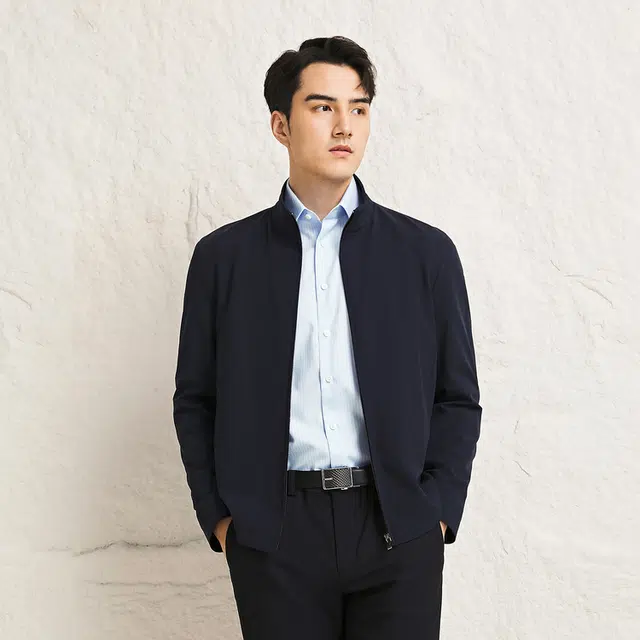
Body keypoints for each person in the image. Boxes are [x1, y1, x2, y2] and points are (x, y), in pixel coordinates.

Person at [173, 35, 482, 640]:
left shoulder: (425, 254)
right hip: (275, 534)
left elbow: (457, 396)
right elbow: (196, 400)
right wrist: (222, 519)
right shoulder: (223, 258)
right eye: (322, 107)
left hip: (397, 528)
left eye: (358, 108)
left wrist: (437, 513)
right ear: (281, 126)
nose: (345, 125)